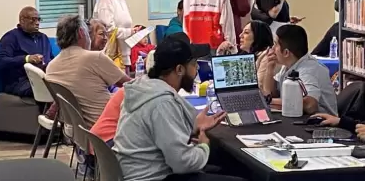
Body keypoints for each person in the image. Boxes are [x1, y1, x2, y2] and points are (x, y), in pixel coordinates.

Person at [113, 32, 245, 181]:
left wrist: (194, 127)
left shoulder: (145, 88)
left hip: (141, 171)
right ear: (180, 69)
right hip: (155, 177)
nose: (197, 70)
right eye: (194, 65)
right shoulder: (162, 103)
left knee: (224, 167)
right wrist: (204, 147)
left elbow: (163, 135)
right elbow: (183, 163)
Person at [45, 15, 131, 127]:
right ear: (81, 33)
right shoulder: (95, 57)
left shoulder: (51, 67)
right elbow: (130, 84)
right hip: (108, 125)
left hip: (78, 131)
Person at [262, 24, 338, 115]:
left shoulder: (308, 71)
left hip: (321, 124)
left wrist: (267, 102)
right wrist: (269, 69)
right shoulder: (289, 64)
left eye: (275, 44)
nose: (272, 49)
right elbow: (270, 94)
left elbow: (310, 105)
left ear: (286, 53)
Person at [0, 6, 53, 101]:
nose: (37, 23)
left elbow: (51, 59)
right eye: (33, 19)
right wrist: (26, 59)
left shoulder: (43, 38)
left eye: (39, 19)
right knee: (50, 90)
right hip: (20, 82)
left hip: (44, 79)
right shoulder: (11, 37)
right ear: (22, 20)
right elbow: (0, 62)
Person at [93, 0, 141, 73]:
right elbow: (108, 30)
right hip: (112, 56)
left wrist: (134, 31)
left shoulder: (121, 0)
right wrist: (129, 31)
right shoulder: (106, 0)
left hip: (124, 53)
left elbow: (125, 26)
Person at [216, 20, 273, 91]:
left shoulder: (266, 56)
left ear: (258, 36)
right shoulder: (247, 54)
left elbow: (258, 87)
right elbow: (223, 78)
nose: (240, 35)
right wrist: (220, 53)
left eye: (246, 32)